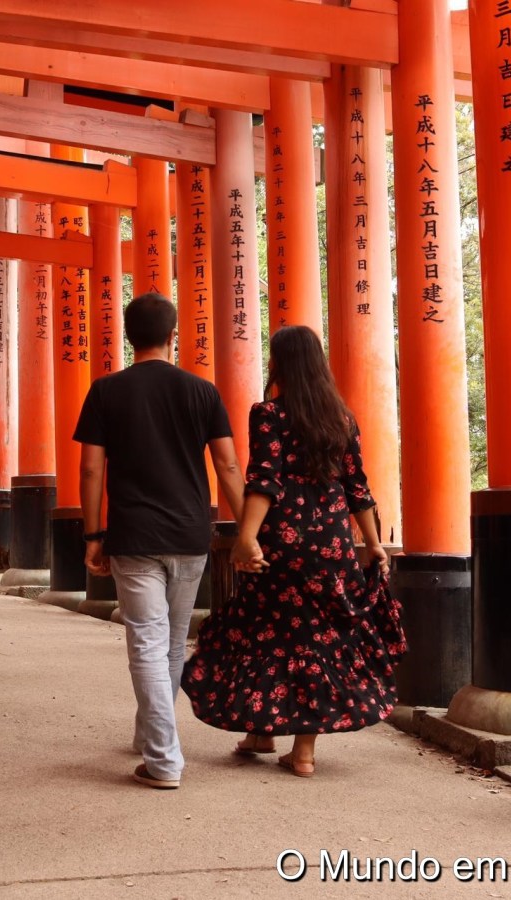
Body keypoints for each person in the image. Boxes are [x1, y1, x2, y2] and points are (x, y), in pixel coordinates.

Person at [183, 325, 405, 778]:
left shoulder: (269, 414)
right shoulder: (342, 419)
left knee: (265, 631)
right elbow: (358, 487)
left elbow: (264, 479)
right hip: (333, 545)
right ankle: (298, 749)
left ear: (280, 363)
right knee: (321, 637)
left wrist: (247, 536)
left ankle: (262, 729)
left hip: (283, 541)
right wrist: (374, 544)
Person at [73, 292, 246, 790]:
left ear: (129, 337)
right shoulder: (202, 391)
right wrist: (248, 530)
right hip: (191, 533)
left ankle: (164, 759)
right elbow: (228, 465)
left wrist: (92, 534)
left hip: (134, 535)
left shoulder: (106, 391)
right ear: (173, 336)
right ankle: (155, 735)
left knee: (147, 643)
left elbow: (91, 469)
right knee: (170, 642)